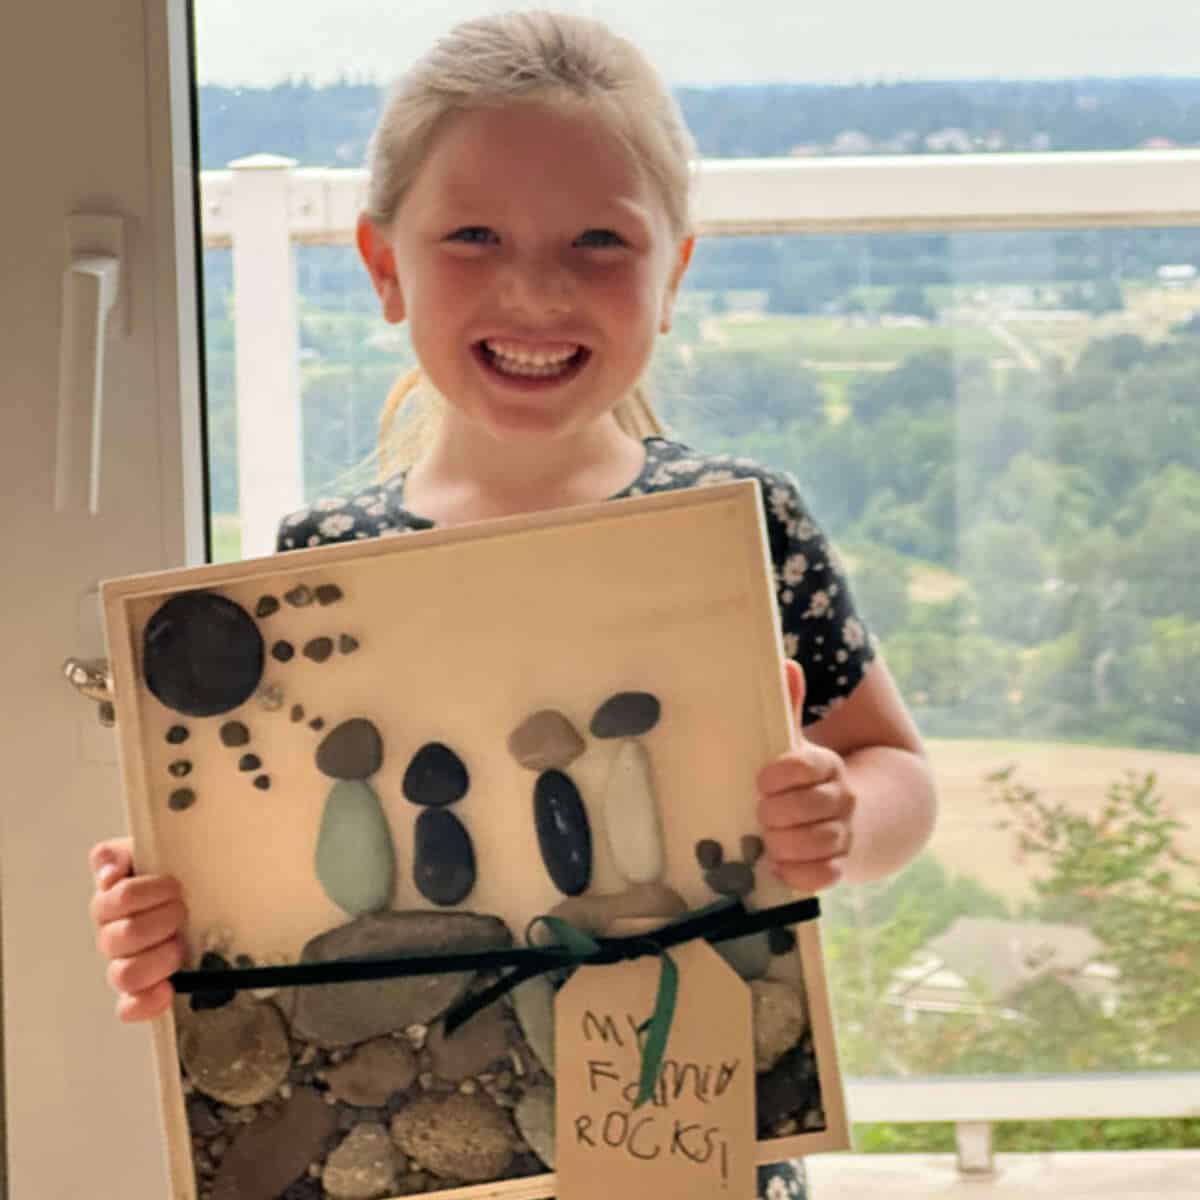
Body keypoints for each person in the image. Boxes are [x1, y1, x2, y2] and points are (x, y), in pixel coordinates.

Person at [89, 11, 937, 1198]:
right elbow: (288, 864)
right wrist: (181, 901)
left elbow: (894, 767)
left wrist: (843, 813)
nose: (535, 289)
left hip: (696, 1155)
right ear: (385, 265)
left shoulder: (746, 523)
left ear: (672, 273)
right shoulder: (322, 561)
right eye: (474, 236)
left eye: (599, 240)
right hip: (416, 1144)